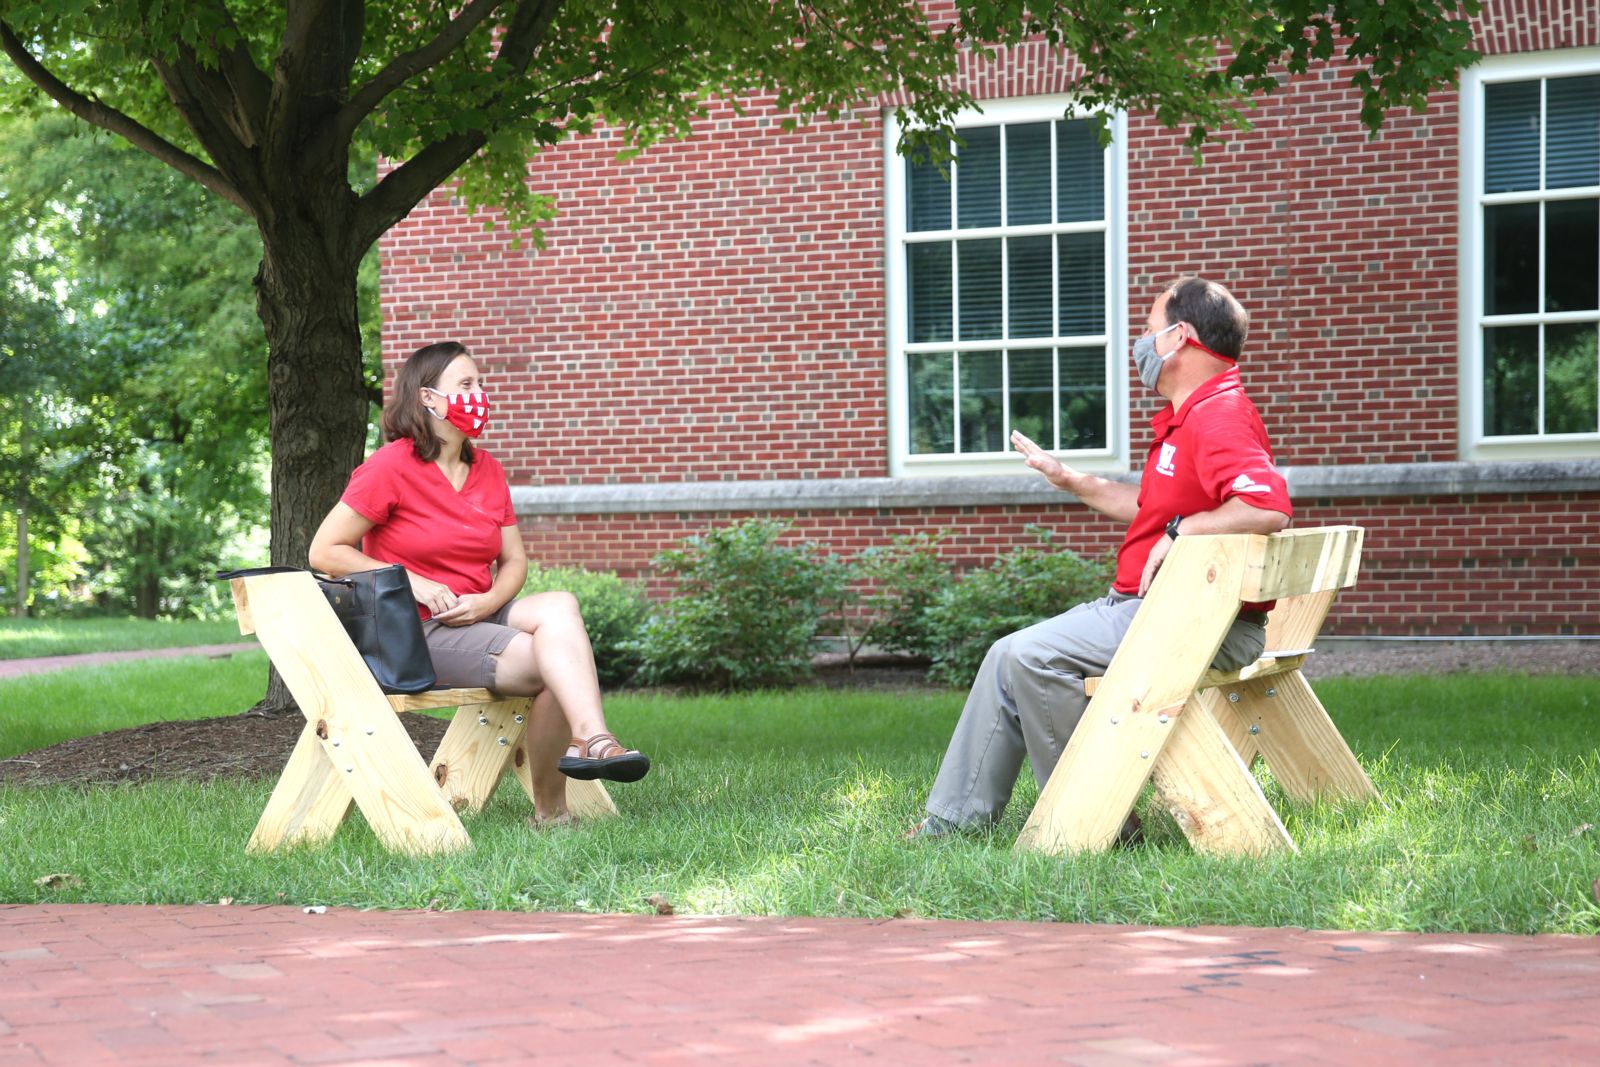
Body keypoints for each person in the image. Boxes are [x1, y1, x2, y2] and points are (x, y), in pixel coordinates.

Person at [908, 276, 1292, 841]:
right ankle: (954, 823)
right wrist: (1070, 480)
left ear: (1179, 338)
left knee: (1029, 657)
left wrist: (1182, 530)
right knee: (1006, 655)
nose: (1140, 343)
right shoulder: (1193, 416)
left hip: (1197, 620)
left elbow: (1266, 506)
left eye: (1147, 331)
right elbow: (1146, 506)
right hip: (1171, 610)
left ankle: (1089, 821)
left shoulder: (1218, 415)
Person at [309, 341, 649, 829]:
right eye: (465, 385)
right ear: (428, 398)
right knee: (554, 663)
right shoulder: (390, 467)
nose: (479, 394)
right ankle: (555, 806)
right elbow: (324, 551)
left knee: (561, 607)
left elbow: (513, 561)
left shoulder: (487, 469)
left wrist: (488, 599)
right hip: (419, 631)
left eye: (480, 384)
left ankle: (591, 738)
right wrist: (415, 582)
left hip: (478, 613)